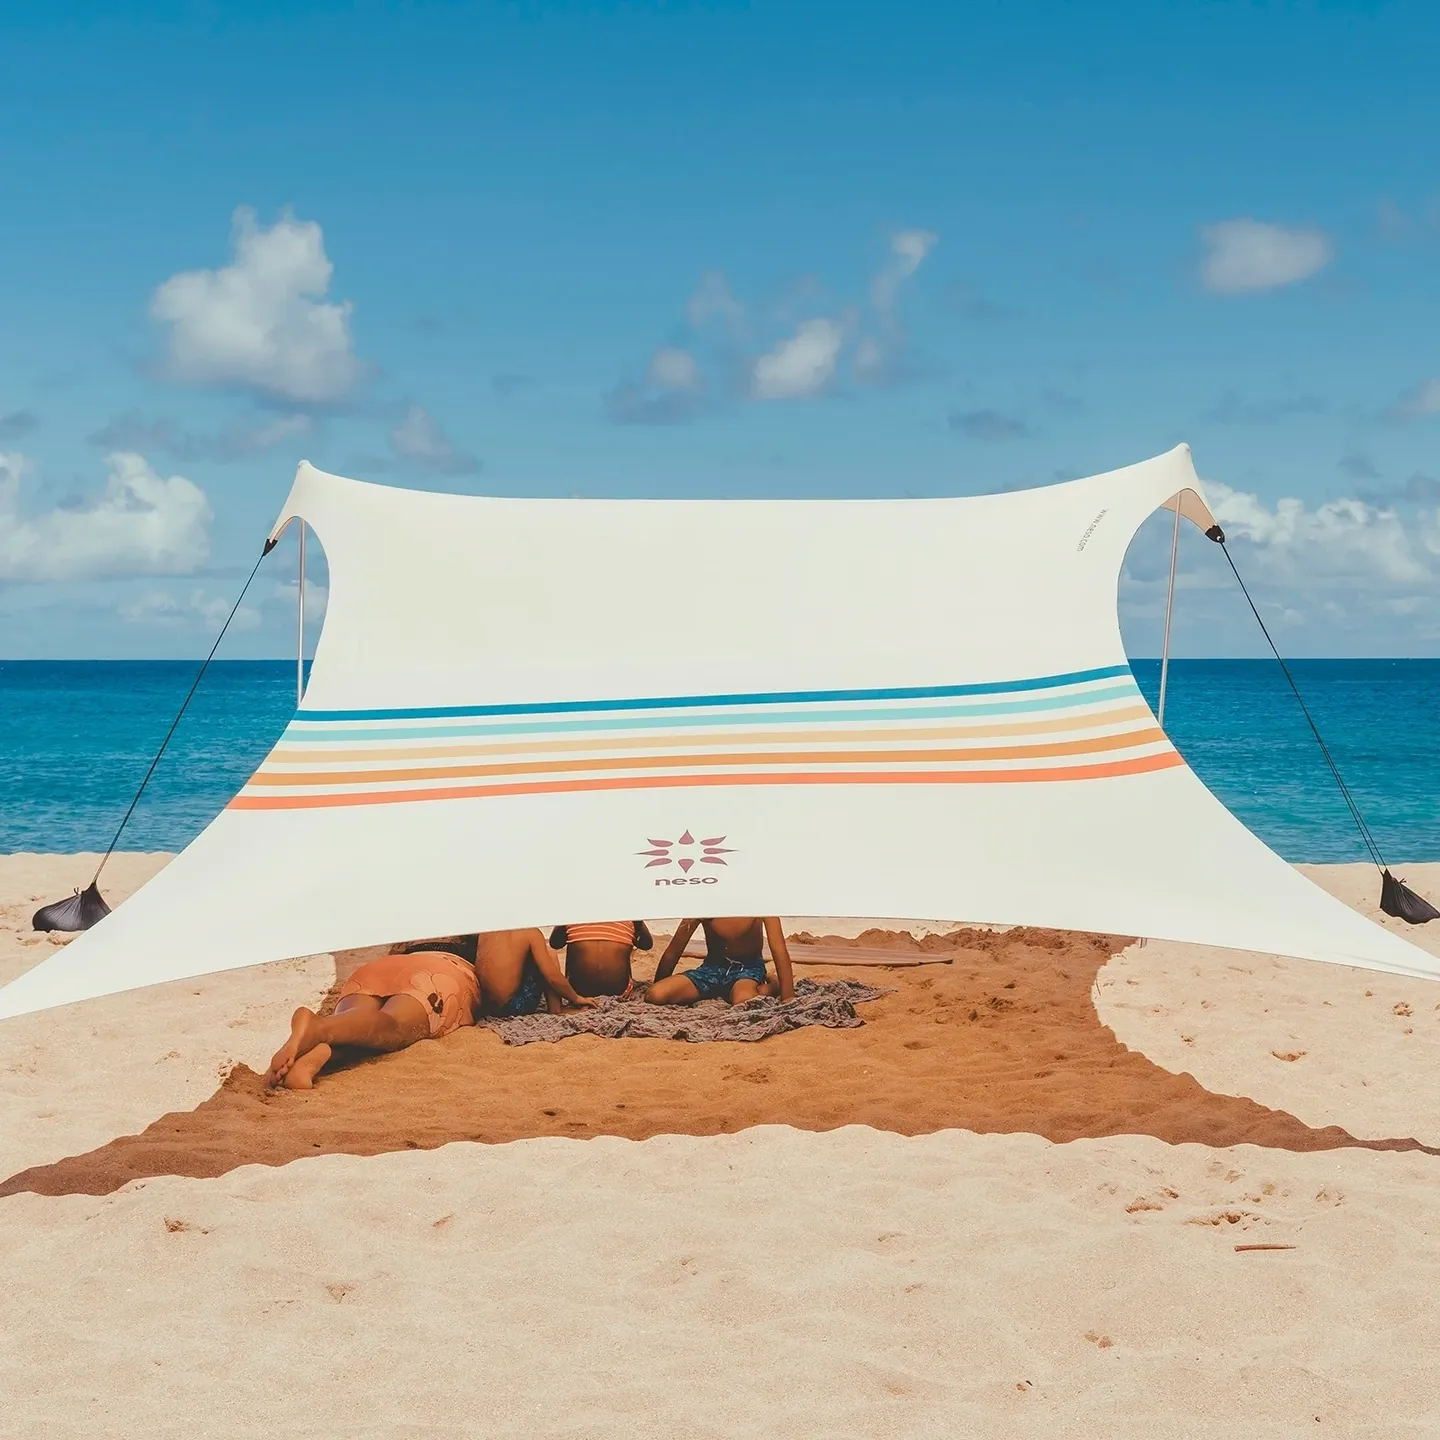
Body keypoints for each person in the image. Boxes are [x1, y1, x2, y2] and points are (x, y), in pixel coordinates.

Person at [264, 928, 591, 1090]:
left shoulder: (415, 927)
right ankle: (318, 1028)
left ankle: (319, 1055)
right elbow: (521, 976)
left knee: (365, 1025)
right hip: (442, 973)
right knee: (393, 1027)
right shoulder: (487, 926)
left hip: (382, 966)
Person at [645, 917, 795, 1007]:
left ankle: (774, 985)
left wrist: (788, 996)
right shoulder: (705, 903)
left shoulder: (759, 904)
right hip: (711, 969)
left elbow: (779, 950)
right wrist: (660, 984)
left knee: (743, 1001)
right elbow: (674, 950)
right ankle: (726, 990)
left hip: (747, 969)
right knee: (655, 995)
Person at [548, 921, 654, 999]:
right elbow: (647, 944)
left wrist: (563, 921)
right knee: (623, 947)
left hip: (578, 992)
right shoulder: (627, 913)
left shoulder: (573, 912)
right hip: (619, 991)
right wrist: (638, 923)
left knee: (573, 947)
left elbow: (555, 943)